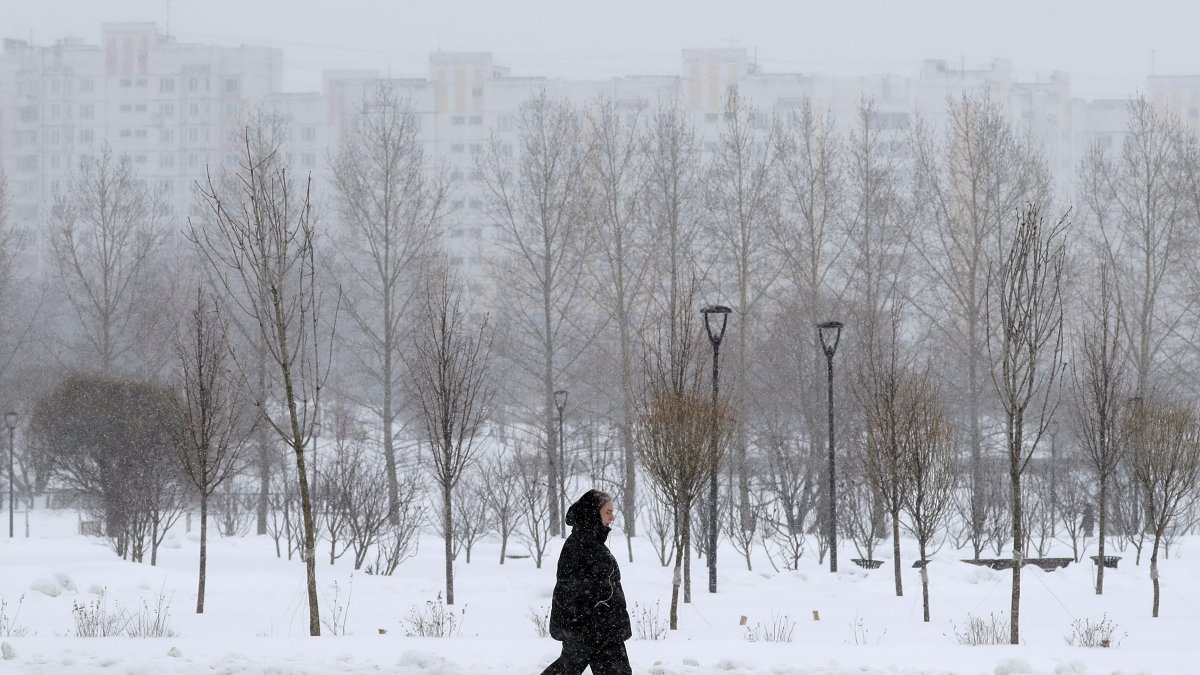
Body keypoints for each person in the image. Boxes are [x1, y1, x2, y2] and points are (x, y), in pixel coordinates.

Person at [539, 489, 632, 675]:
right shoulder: (583, 544)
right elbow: (575, 590)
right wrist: (595, 623)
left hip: (597, 630)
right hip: (592, 630)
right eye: (608, 512)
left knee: (569, 668)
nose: (612, 517)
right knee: (568, 668)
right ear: (593, 513)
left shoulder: (590, 542)